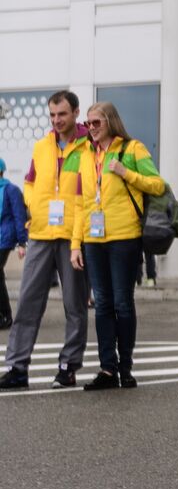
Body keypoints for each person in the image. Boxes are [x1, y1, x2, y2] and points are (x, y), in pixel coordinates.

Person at [70, 101, 166, 390]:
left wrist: (126, 173)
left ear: (110, 122)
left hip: (124, 237)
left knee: (123, 303)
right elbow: (80, 204)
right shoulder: (85, 155)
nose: (91, 128)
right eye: (88, 124)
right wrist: (76, 244)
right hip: (94, 239)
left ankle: (126, 368)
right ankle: (107, 370)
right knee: (102, 304)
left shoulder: (132, 149)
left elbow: (157, 185)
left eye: (96, 123)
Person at [0, 91, 91, 391]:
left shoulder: (88, 146)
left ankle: (68, 367)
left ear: (75, 112)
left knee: (74, 305)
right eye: (52, 115)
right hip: (40, 233)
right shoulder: (41, 146)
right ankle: (17, 368)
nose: (56, 120)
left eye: (62, 114)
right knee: (27, 303)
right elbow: (29, 182)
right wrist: (34, 207)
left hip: (72, 235)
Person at [0, 159, 28, 329]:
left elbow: (19, 216)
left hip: (5, 238)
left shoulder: (11, 190)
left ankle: (6, 315)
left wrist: (22, 242)